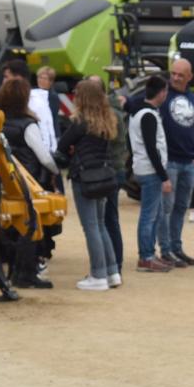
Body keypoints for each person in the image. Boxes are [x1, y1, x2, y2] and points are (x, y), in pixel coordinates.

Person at [56, 76, 124, 291]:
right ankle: (112, 271)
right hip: (103, 175)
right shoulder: (108, 120)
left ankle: (98, 274)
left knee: (91, 227)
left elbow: (62, 145)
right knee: (101, 224)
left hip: (84, 176)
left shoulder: (80, 123)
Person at [0, 75, 57, 287]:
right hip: (27, 181)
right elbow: (44, 156)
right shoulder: (28, 125)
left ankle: (13, 271)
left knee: (12, 226)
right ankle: (27, 274)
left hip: (3, 181)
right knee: (29, 226)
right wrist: (55, 170)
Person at [160, 58, 194, 267]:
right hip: (169, 162)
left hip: (189, 162)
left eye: (180, 75)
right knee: (166, 208)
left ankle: (176, 248)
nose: (176, 78)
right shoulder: (162, 95)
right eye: (173, 73)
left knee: (181, 208)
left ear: (190, 77)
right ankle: (165, 250)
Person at [129, 73, 174, 273]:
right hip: (150, 171)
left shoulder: (140, 112)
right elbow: (151, 148)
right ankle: (146, 256)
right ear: (162, 92)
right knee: (149, 215)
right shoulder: (148, 115)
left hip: (143, 168)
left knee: (152, 214)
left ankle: (149, 253)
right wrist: (163, 175)